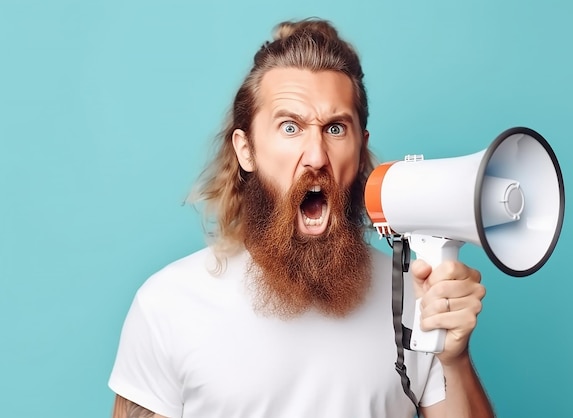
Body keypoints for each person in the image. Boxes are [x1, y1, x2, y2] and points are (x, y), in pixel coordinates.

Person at [109, 18, 494, 418]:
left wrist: (455, 357)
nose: (316, 155)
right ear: (246, 150)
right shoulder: (168, 306)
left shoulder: (417, 299)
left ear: (361, 151)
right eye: (290, 127)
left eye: (335, 128)